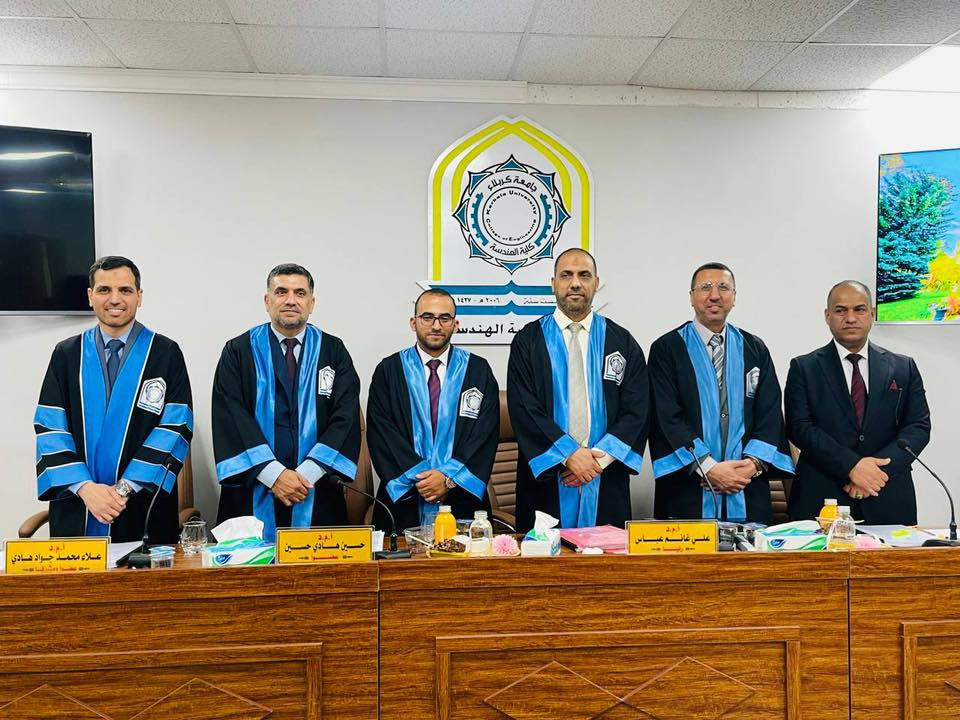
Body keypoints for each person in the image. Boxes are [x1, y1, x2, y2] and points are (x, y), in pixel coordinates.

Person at [34, 256, 193, 542]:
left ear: (139, 296)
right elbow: (50, 427)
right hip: (79, 506)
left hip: (141, 506)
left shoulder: (165, 353)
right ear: (90, 296)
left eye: (125, 290)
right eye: (104, 290)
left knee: (146, 571)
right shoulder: (67, 354)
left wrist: (121, 491)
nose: (115, 299)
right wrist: (86, 489)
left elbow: (176, 426)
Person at [212, 263, 361, 541]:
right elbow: (231, 417)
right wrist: (274, 475)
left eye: (300, 293)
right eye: (281, 292)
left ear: (312, 303)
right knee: (248, 568)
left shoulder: (334, 351)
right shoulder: (238, 351)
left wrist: (305, 475)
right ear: (267, 301)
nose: (291, 300)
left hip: (316, 490)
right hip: (252, 488)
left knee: (321, 567)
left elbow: (346, 416)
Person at [507, 248, 648, 531]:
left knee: (606, 556)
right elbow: (525, 408)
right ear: (553, 283)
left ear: (596, 283)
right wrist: (569, 454)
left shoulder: (621, 342)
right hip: (548, 480)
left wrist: (597, 462)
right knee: (544, 556)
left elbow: (637, 409)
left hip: (605, 476)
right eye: (566, 275)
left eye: (584, 275)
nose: (575, 283)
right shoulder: (528, 342)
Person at [649, 262, 793, 523]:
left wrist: (751, 466)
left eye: (723, 287)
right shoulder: (667, 349)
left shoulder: (754, 348)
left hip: (746, 485)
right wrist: (708, 467)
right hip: (688, 487)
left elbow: (770, 413)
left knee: (751, 549)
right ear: (691, 296)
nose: (714, 295)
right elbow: (666, 415)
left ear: (734, 297)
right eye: (705, 287)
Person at [785, 280, 931, 524]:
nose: (850, 318)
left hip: (888, 497)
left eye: (859, 309)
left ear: (872, 314)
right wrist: (851, 467)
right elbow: (799, 428)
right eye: (841, 310)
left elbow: (918, 427)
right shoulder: (804, 367)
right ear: (827, 316)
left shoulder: (903, 367)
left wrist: (874, 474)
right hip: (822, 498)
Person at [367, 289, 499, 532]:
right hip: (404, 499)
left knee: (467, 555)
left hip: (462, 498)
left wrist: (448, 479)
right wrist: (423, 479)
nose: (436, 325)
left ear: (455, 324)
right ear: (413, 322)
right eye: (427, 317)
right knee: (400, 556)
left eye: (444, 318)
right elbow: (381, 434)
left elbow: (484, 435)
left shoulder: (478, 371)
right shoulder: (389, 371)